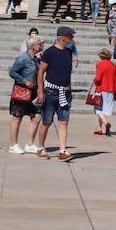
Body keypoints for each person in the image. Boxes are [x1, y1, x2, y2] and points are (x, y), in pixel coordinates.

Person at [34, 26, 77, 161]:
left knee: (64, 122)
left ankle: (62, 150)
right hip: (50, 91)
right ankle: (41, 147)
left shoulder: (68, 52)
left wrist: (69, 90)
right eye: (70, 36)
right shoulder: (50, 52)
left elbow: (66, 73)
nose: (72, 39)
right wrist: (40, 91)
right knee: (46, 121)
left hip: (64, 92)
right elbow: (41, 71)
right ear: (63, 37)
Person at [8, 33, 43, 155]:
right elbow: (12, 72)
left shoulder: (37, 59)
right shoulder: (23, 58)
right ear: (33, 46)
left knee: (37, 116)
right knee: (17, 118)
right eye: (40, 44)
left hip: (34, 93)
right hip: (22, 92)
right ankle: (13, 144)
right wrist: (24, 81)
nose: (42, 45)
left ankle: (30, 144)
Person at [91, 48, 116, 136]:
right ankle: (99, 128)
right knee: (104, 108)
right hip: (111, 89)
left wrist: (95, 80)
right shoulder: (113, 65)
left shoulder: (100, 64)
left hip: (101, 88)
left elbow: (98, 78)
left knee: (98, 109)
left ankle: (106, 123)